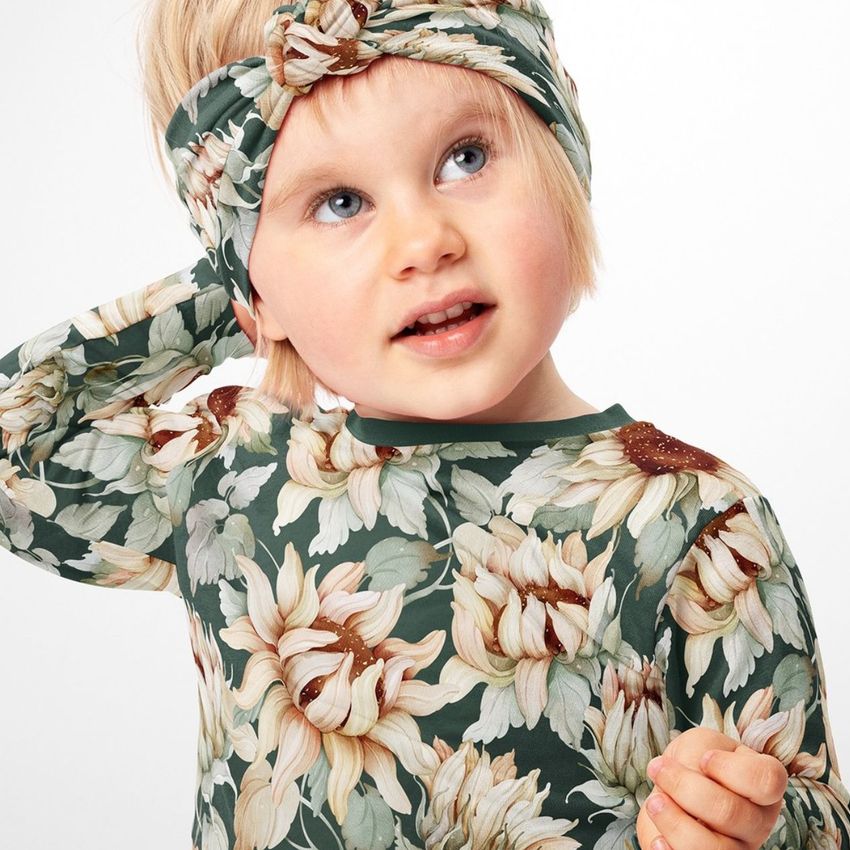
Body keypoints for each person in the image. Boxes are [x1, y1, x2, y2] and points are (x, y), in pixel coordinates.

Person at [1, 2, 847, 849]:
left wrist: (752, 824)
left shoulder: (699, 522)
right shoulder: (231, 476)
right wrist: (245, 289)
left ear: (564, 163)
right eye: (339, 202)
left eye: (464, 158)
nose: (423, 243)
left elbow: (812, 811)